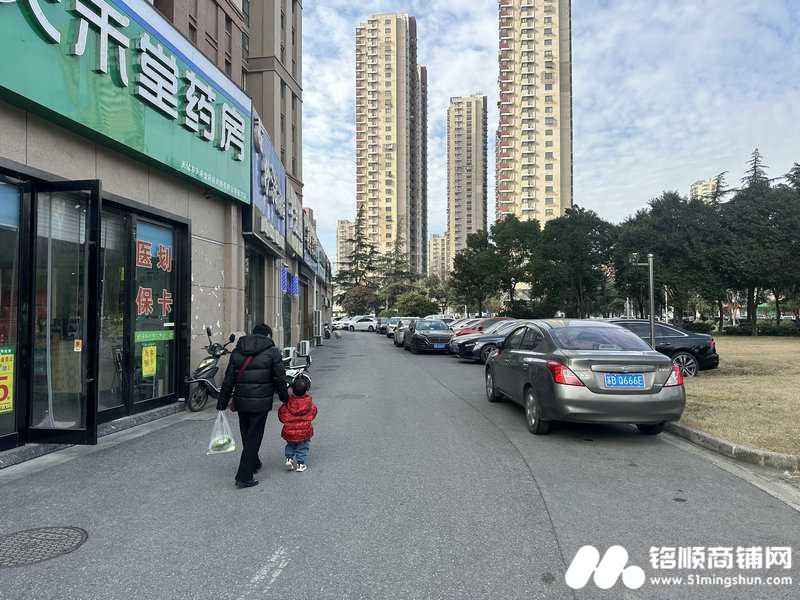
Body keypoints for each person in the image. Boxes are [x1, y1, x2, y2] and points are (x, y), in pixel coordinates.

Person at [218, 323, 288, 488]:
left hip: (241, 401)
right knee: (254, 436)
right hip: (261, 402)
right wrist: (285, 398)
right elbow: (279, 378)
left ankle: (254, 462)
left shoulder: (238, 351)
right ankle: (244, 475)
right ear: (268, 335)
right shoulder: (272, 352)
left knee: (246, 433)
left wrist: (222, 402)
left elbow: (229, 379)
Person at [278, 377, 317, 473]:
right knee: (302, 447)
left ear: (292, 390)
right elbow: (313, 414)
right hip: (304, 431)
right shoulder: (309, 404)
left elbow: (282, 416)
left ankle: (289, 459)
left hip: (289, 430)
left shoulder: (288, 403)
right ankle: (300, 464)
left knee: (290, 445)